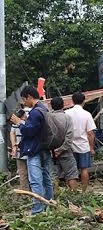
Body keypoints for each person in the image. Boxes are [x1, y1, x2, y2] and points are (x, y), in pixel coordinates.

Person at [9, 86, 54, 214]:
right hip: (45, 148)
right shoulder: (44, 108)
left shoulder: (35, 112)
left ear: (29, 97)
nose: (24, 103)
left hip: (34, 150)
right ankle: (50, 204)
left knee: (35, 181)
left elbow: (29, 131)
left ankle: (38, 210)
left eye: (24, 99)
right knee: (46, 178)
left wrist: (19, 122)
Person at [65, 91, 96, 192]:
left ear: (72, 101)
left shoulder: (67, 113)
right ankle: (84, 191)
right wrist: (91, 148)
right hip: (83, 146)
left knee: (70, 171)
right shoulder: (87, 114)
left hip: (69, 146)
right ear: (83, 101)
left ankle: (72, 191)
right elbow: (90, 133)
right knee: (84, 169)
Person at [50, 97, 79, 191]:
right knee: (71, 175)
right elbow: (69, 137)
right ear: (63, 105)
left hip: (51, 153)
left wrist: (54, 151)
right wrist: (61, 149)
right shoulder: (67, 118)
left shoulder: (47, 118)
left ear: (51, 106)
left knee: (53, 176)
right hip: (66, 152)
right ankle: (74, 196)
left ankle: (54, 196)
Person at [9, 107, 31, 192]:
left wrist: (14, 147)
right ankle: (33, 191)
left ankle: (25, 192)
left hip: (19, 153)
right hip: (29, 152)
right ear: (23, 115)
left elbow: (12, 133)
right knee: (31, 173)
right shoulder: (27, 123)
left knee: (22, 174)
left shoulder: (15, 124)